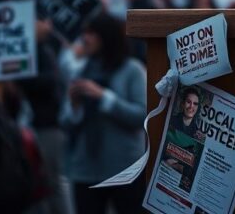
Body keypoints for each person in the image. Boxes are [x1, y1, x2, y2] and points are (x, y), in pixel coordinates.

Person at [61, 13, 147, 214]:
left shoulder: (131, 70)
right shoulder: (80, 70)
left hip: (125, 170)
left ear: (107, 36)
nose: (85, 38)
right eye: (84, 33)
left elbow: (142, 116)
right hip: (85, 170)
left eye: (91, 33)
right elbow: (64, 122)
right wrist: (74, 107)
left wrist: (104, 98)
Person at [21, 18, 69, 214]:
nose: (47, 25)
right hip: (36, 124)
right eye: (41, 21)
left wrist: (20, 75)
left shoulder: (44, 50)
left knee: (51, 181)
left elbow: (50, 82)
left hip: (47, 125)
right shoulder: (33, 49)